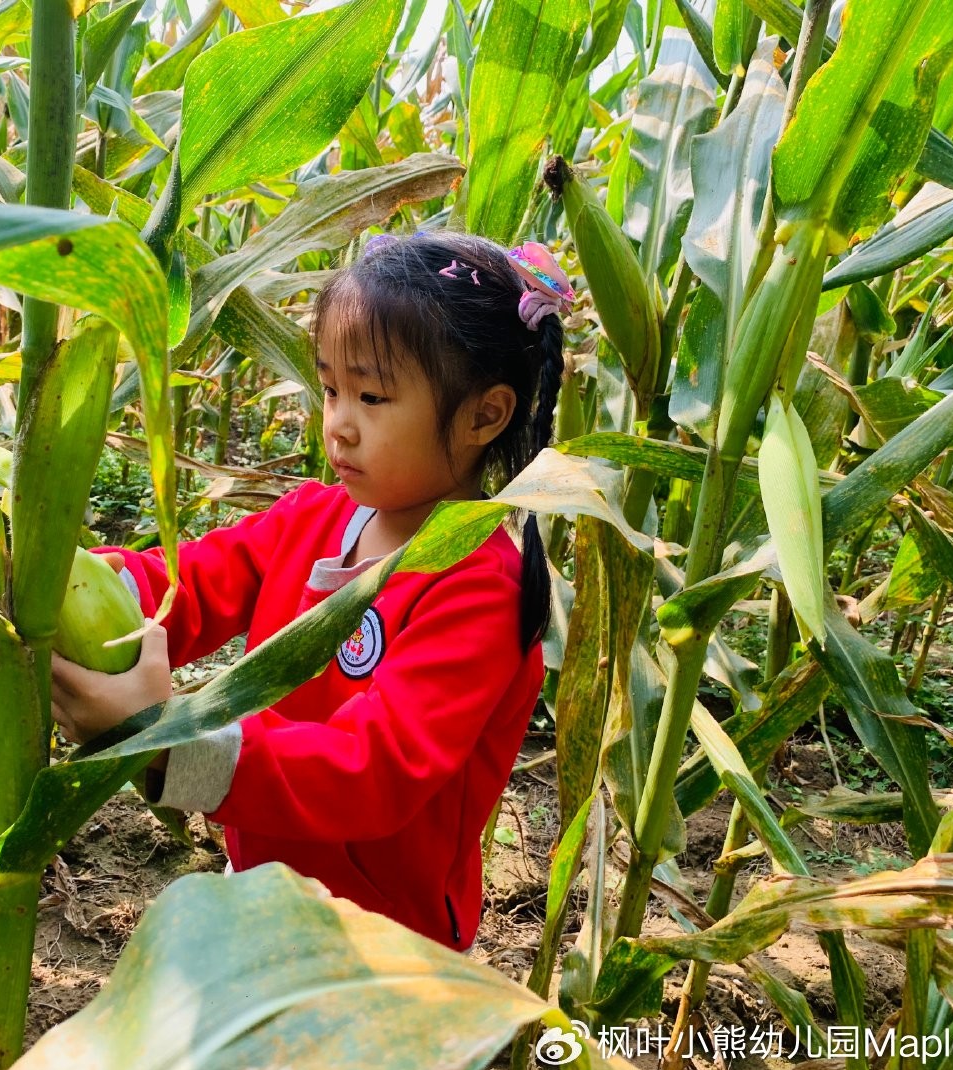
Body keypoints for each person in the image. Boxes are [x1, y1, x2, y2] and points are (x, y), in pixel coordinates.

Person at [49, 232, 573, 951]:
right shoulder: (317, 518)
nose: (339, 425)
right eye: (331, 389)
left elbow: (373, 772)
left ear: (486, 415)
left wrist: (171, 741)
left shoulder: (481, 589)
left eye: (373, 396)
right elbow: (195, 583)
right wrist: (83, 582)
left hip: (384, 945)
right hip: (264, 884)